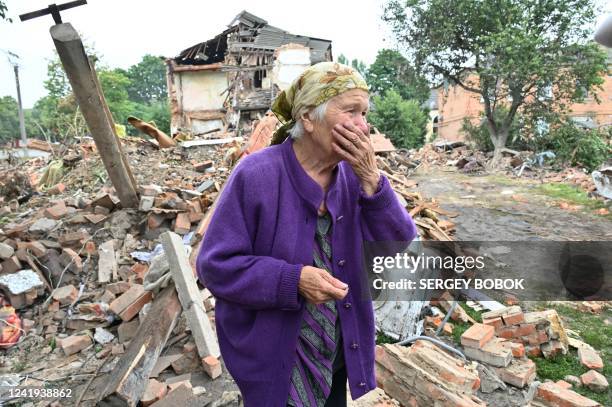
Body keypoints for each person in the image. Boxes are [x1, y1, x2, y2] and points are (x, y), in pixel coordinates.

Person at [196, 62, 417, 407]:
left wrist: (373, 182)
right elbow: (215, 266)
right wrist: (293, 280)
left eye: (364, 113)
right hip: (275, 358)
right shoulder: (257, 175)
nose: (364, 125)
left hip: (337, 352)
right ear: (308, 118)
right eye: (351, 112)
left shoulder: (355, 177)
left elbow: (396, 244)